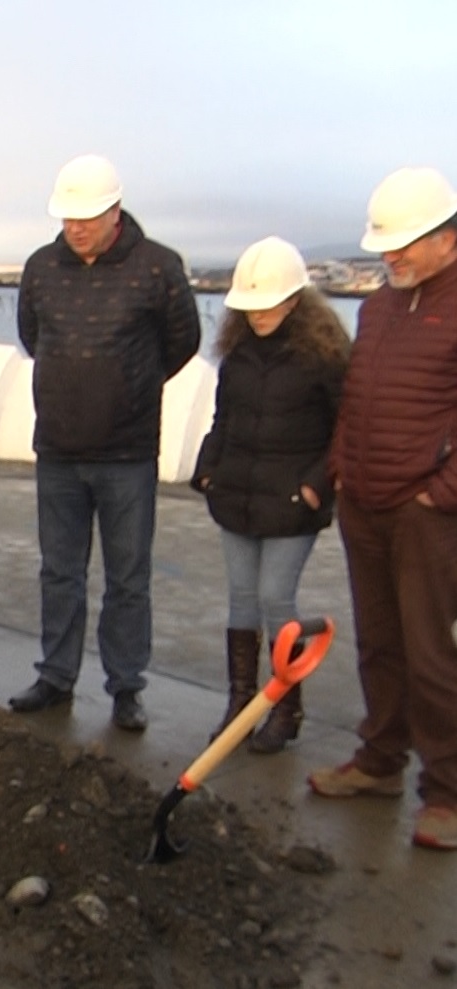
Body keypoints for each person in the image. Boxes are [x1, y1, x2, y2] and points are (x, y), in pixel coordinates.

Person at [9, 154, 201, 731]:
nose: (76, 227)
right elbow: (31, 335)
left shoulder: (158, 267)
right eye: (68, 217)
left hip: (127, 455)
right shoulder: (41, 267)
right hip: (59, 452)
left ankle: (125, 687)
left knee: (128, 578)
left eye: (88, 216)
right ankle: (56, 675)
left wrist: (129, 386)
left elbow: (182, 342)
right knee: (59, 572)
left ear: (116, 210)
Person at [308, 166, 457, 852]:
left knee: (428, 652)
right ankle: (378, 761)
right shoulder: (375, 306)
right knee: (376, 642)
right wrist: (340, 467)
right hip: (362, 501)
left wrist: (441, 491)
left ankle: (446, 793)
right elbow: (356, 400)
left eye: (402, 245)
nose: (388, 256)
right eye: (384, 244)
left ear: (446, 239)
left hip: (423, 511)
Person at [190, 237, 348, 752]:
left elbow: (343, 429)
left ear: (295, 299)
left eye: (269, 304)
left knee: (276, 598)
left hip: (292, 503)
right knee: (241, 599)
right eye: (250, 307)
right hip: (237, 493)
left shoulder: (323, 358)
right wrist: (208, 470)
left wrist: (313, 489)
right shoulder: (237, 356)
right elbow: (224, 419)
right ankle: (240, 704)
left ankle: (286, 708)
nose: (258, 315)